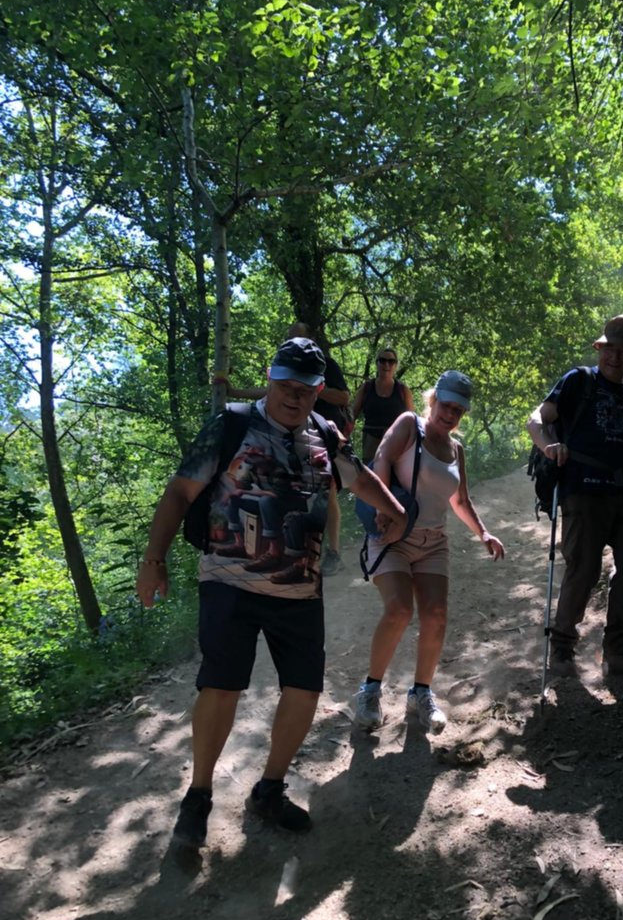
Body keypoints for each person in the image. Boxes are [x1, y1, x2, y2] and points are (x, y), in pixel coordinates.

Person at [136, 338, 407, 848]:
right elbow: (179, 492)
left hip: (300, 590)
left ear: (319, 390)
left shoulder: (325, 433)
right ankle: (198, 796)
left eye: (305, 388)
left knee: (303, 690)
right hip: (229, 583)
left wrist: (395, 509)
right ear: (269, 378)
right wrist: (154, 561)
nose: (294, 396)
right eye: (285, 385)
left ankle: (270, 788)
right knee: (221, 687)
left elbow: (359, 478)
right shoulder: (232, 425)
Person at [354, 370, 505, 734]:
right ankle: (369, 691)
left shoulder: (456, 450)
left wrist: (483, 533)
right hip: (394, 535)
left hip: (434, 542)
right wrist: (385, 508)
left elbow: (460, 500)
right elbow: (381, 459)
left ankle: (420, 693)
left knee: (436, 616)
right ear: (433, 400)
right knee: (399, 609)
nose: (450, 414)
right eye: (446, 405)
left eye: (458, 410)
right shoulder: (409, 425)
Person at [527, 314, 623, 680]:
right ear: (600, 349)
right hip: (583, 490)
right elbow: (537, 419)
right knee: (583, 570)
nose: (616, 357)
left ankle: (618, 653)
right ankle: (562, 648)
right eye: (610, 349)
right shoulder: (579, 380)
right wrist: (548, 445)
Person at [219, 322, 351, 576]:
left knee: (328, 493)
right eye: (289, 339)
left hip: (322, 438)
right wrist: (234, 391)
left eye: (299, 338)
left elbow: (344, 397)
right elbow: (269, 393)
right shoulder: (283, 369)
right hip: (290, 438)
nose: (294, 344)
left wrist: (311, 386)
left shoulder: (327, 365)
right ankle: (263, 548)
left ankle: (333, 552)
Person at [351, 347, 415, 463]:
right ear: (377, 363)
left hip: (396, 445)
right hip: (370, 446)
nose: (386, 364)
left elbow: (412, 421)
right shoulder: (366, 388)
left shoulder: (403, 390)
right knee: (371, 474)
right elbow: (352, 415)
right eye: (382, 360)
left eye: (391, 361)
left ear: (396, 365)